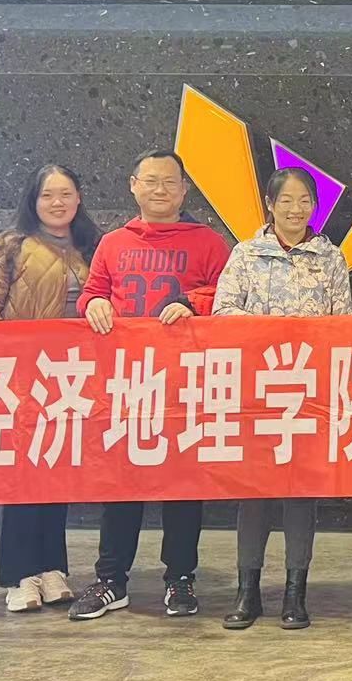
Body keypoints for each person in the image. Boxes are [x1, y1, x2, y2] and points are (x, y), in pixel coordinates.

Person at [69, 150, 231, 621]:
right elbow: (93, 292)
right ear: (133, 185)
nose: (160, 190)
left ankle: (180, 578)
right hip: (128, 382)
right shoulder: (113, 242)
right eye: (151, 181)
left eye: (170, 182)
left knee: (184, 485)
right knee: (122, 483)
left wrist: (194, 302)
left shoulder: (209, 243)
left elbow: (227, 292)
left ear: (184, 190)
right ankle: (111, 579)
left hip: (186, 383)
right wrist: (93, 304)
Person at [214, 168, 351, 631]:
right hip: (257, 390)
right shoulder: (246, 254)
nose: (296, 209)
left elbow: (342, 323)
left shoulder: (330, 257)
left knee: (299, 494)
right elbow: (223, 312)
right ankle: (247, 590)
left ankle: (295, 591)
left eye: (305, 200)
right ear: (270, 205)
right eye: (286, 200)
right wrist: (271, 331)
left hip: (309, 392)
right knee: (254, 493)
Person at [0, 164, 100, 614]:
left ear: (78, 198)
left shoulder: (93, 246)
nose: (57, 203)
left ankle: (51, 567)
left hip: (72, 377)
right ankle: (19, 575)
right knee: (21, 476)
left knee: (57, 470)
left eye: (65, 194)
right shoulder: (9, 245)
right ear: (33, 200)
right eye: (47, 195)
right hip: (20, 376)